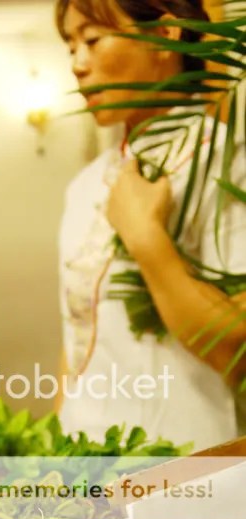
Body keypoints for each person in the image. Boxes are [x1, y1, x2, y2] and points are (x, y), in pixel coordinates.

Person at [55, 0, 246, 451]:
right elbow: (76, 333)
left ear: (165, 33)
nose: (78, 64)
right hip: (88, 459)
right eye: (70, 47)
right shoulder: (85, 186)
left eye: (92, 39)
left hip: (189, 463)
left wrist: (145, 238)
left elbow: (235, 351)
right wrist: (58, 440)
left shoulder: (228, 167)